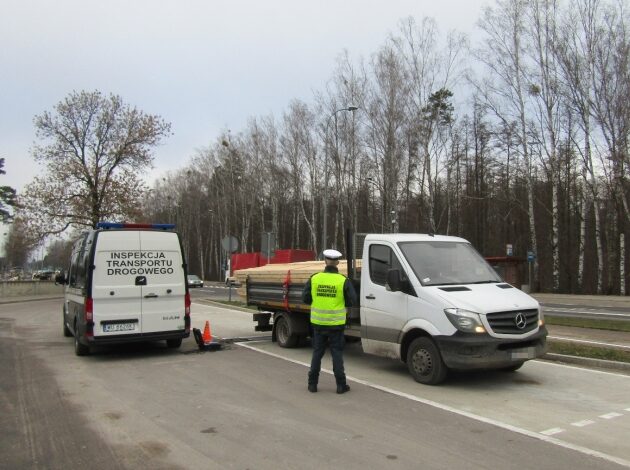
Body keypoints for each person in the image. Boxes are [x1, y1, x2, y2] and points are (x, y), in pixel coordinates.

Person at [302, 248, 358, 394]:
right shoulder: (343, 281)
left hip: (318, 324)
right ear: (338, 263)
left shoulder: (314, 278)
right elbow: (353, 300)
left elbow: (305, 298)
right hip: (336, 325)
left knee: (317, 354)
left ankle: (312, 385)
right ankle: (341, 386)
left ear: (325, 261)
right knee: (337, 354)